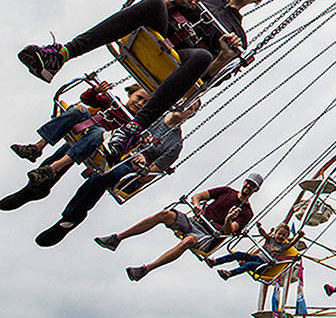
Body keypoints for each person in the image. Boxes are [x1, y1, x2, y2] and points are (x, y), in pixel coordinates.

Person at [18, 0, 270, 157]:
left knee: (203, 56)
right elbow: (164, 1)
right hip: (155, 34)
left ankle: (135, 127)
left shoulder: (237, 36)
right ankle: (61, 55)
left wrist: (225, 56)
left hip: (179, 60)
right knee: (153, 3)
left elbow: (207, 80)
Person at [31, 100, 198, 244]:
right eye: (186, 103)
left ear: (191, 115)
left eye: (191, 108)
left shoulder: (175, 144)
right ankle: (42, 181)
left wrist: (143, 163)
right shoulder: (153, 115)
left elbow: (152, 172)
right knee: (83, 141)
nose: (185, 108)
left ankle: (70, 218)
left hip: (128, 164)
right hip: (115, 143)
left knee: (103, 176)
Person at [94, 172, 262, 281]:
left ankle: (146, 269)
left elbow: (228, 231)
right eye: (247, 183)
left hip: (209, 234)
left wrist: (227, 220)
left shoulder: (247, 212)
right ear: (244, 182)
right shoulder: (227, 191)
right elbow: (199, 196)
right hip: (196, 220)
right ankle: (117, 238)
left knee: (188, 241)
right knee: (164, 215)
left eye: (252, 187)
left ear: (256, 190)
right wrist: (196, 205)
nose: (248, 187)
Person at [13, 82, 147, 185]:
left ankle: (52, 168)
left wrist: (142, 140)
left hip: (99, 141)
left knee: (99, 133)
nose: (140, 103)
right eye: (139, 97)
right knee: (78, 109)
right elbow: (86, 99)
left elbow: (129, 143)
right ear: (130, 94)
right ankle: (37, 147)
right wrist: (96, 90)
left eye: (145, 102)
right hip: (85, 128)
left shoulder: (134, 125)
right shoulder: (113, 103)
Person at [206, 220, 302, 280]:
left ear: (286, 237)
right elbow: (264, 234)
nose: (281, 237)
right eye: (279, 234)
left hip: (263, 266)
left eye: (283, 235)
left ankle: (229, 273)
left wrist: (299, 236)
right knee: (238, 254)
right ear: (275, 233)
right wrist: (259, 228)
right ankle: (215, 262)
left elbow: (291, 243)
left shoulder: (283, 246)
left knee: (249, 265)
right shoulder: (270, 239)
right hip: (256, 257)